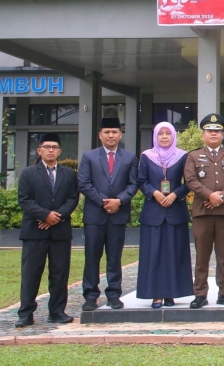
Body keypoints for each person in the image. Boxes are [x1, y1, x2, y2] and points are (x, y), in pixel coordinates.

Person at [15, 133, 80, 328]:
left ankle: (57, 311)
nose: (50, 150)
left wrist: (56, 217)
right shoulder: (28, 173)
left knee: (60, 274)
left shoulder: (69, 174)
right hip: (34, 231)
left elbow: (72, 199)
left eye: (54, 147)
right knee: (31, 274)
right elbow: (24, 199)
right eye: (46, 146)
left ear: (60, 151)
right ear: (39, 150)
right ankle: (26, 313)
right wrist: (45, 216)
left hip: (59, 232)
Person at [78, 117, 139, 311]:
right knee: (92, 256)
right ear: (100, 135)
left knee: (115, 257)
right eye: (107, 132)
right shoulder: (89, 157)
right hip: (95, 215)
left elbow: (133, 184)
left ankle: (114, 294)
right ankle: (90, 295)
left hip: (118, 215)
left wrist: (119, 200)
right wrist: (103, 202)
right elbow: (84, 183)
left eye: (114, 132)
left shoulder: (129, 157)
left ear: (120, 135)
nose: (111, 135)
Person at [184, 113, 224, 309]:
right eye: (210, 131)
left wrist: (222, 197)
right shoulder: (193, 156)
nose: (213, 134)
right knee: (202, 255)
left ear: (222, 134)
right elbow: (191, 180)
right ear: (203, 134)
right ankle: (200, 293)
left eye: (217, 131)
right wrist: (210, 195)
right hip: (203, 212)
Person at [136, 122, 193, 308]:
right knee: (153, 254)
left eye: (168, 133)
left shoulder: (183, 156)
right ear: (155, 136)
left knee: (174, 253)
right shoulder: (147, 156)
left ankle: (172, 294)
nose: (165, 137)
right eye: (161, 133)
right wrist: (154, 193)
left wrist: (176, 194)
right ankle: (155, 294)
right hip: (154, 211)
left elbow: (190, 181)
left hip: (175, 211)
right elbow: (141, 181)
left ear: (174, 135)